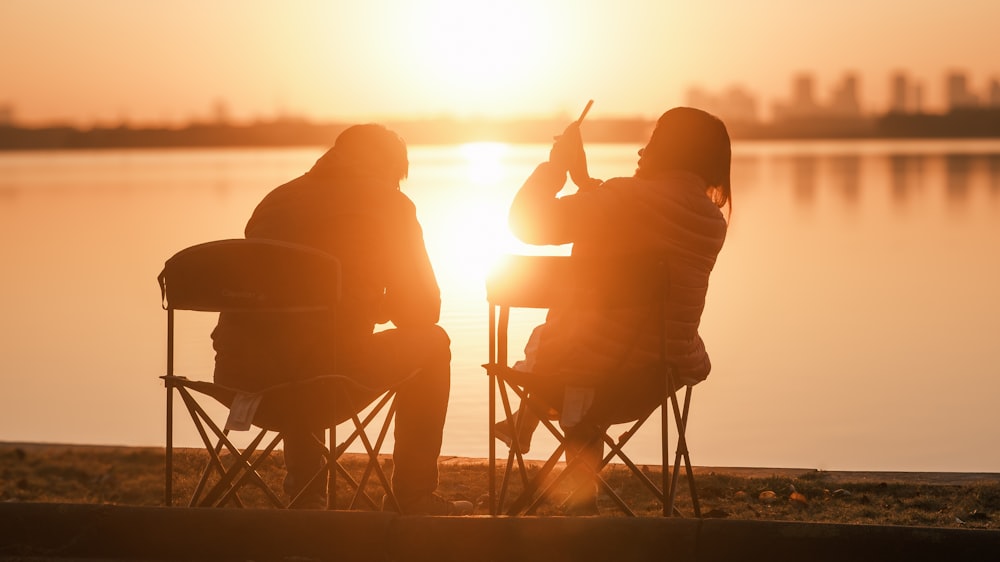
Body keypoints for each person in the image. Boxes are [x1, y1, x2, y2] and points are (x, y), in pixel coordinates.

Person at [211, 124, 472, 515]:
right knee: (432, 343)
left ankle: (307, 494)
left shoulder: (276, 200)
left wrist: (358, 302)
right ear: (387, 171)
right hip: (319, 383)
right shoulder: (389, 205)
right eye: (395, 179)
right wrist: (378, 305)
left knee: (302, 342)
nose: (396, 188)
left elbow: (278, 305)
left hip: (242, 383)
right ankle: (413, 494)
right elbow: (423, 311)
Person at [497, 107, 731, 514]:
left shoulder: (621, 199)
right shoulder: (711, 221)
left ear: (671, 150)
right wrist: (586, 182)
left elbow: (526, 223)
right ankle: (580, 497)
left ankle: (577, 499)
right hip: (658, 375)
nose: (642, 150)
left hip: (588, 372)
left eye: (654, 141)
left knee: (583, 358)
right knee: (601, 350)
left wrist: (555, 169)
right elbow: (636, 218)